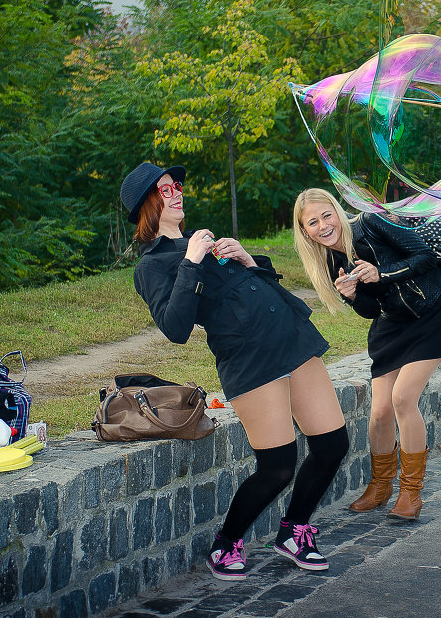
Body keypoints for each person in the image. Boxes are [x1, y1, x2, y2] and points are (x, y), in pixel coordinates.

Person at [120, 163, 349, 579]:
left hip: (292, 338)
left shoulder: (202, 241)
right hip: (250, 360)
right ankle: (226, 544)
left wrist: (246, 259)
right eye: (165, 189)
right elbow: (175, 327)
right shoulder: (152, 266)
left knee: (332, 446)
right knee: (278, 466)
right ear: (146, 205)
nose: (176, 193)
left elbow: (254, 287)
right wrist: (189, 262)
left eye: (177, 186)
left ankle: (294, 532)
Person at [293, 188, 441, 521]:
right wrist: (353, 296)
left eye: (326, 215)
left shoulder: (370, 223)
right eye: (313, 222)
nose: (323, 226)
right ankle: (381, 486)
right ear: (305, 231)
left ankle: (411, 493)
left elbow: (426, 257)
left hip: (431, 311)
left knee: (402, 400)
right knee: (380, 412)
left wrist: (382, 273)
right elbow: (371, 310)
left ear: (337, 212)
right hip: (392, 324)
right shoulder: (330, 260)